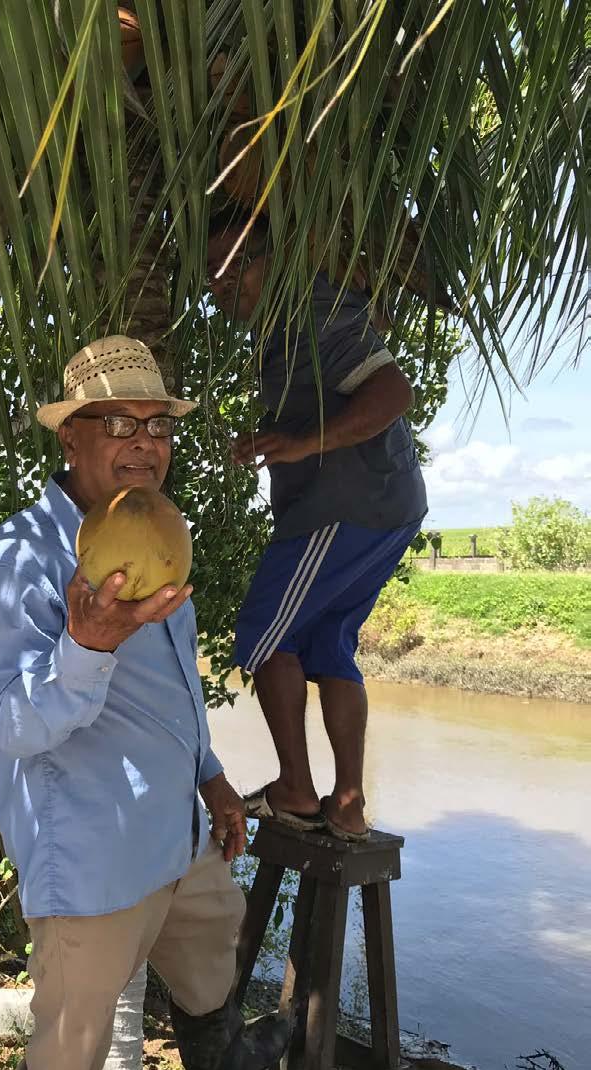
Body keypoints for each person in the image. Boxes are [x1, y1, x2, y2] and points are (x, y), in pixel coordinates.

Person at [0, 335, 289, 1070]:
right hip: (94, 854)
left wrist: (212, 776)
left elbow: (173, 680)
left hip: (172, 831)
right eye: (117, 424)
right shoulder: (14, 564)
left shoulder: (157, 526)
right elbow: (15, 726)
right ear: (71, 439)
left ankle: (217, 1068)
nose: (143, 442)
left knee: (214, 939)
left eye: (157, 425)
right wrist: (87, 642)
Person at [207, 213, 427, 841]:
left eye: (231, 272)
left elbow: (392, 393)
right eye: (212, 287)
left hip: (343, 507)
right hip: (388, 505)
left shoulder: (315, 314)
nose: (222, 293)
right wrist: (281, 441)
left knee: (265, 634)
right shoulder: (287, 331)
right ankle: (349, 803)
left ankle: (297, 792)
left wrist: (304, 447)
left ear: (270, 263)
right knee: (328, 644)